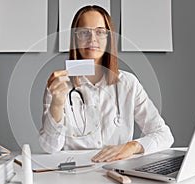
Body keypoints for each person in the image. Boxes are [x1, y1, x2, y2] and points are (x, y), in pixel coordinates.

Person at [39, 5, 174, 162]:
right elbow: (50, 147)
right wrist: (57, 104)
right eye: (84, 32)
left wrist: (132, 146)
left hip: (118, 171)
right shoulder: (59, 85)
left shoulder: (128, 83)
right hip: (75, 173)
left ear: (109, 38)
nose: (92, 39)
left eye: (100, 32)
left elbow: (164, 135)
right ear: (75, 39)